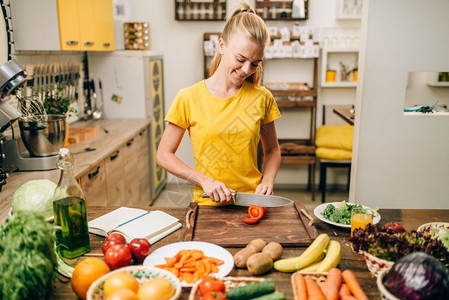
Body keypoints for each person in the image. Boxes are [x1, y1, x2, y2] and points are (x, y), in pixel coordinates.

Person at [157, 1, 281, 205]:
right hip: (207, 204)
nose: (246, 70)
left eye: (255, 63)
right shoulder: (188, 97)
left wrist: (267, 181)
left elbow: (273, 150)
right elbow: (163, 155)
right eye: (240, 59)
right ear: (221, 46)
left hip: (252, 203)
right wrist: (204, 180)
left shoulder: (262, 98)